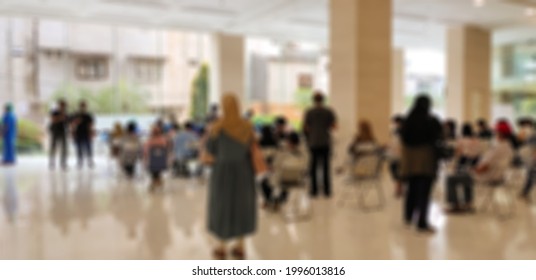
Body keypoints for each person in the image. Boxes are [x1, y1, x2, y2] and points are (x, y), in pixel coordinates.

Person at [205, 93, 256, 260]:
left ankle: (221, 247)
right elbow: (252, 148)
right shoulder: (247, 126)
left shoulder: (217, 127)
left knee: (222, 205)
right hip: (244, 170)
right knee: (241, 205)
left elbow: (210, 151)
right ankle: (241, 246)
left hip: (222, 171)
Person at [400, 95, 442, 233]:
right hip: (426, 162)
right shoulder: (431, 121)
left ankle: (408, 217)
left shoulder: (407, 121)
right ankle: (422, 222)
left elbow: (403, 139)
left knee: (411, 190)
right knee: (424, 193)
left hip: (410, 163)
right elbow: (438, 136)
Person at [303, 91, 337, 198]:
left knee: (313, 167)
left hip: (313, 142)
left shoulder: (309, 112)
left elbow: (305, 127)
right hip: (325, 141)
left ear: (313, 100)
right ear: (323, 100)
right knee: (326, 167)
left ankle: (314, 191)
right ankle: (327, 191)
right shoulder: (328, 111)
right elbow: (334, 126)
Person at [144, 125, 170, 192]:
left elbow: (146, 150)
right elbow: (165, 149)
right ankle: (157, 181)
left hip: (153, 160)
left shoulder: (150, 140)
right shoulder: (163, 139)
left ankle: (155, 182)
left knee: (154, 171)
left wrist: (145, 157)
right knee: (156, 172)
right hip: (160, 160)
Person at [71, 101, 95, 168]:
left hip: (86, 133)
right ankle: (80, 161)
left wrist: (91, 133)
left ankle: (90, 161)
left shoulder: (88, 115)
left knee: (88, 148)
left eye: (84, 106)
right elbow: (73, 124)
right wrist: (73, 132)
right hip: (78, 133)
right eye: (81, 106)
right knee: (79, 148)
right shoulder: (76, 115)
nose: (82, 107)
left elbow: (90, 125)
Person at [49, 99, 69, 170]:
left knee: (64, 147)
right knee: (53, 147)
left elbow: (67, 122)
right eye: (62, 105)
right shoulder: (54, 112)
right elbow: (53, 120)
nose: (63, 107)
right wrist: (61, 117)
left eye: (64, 106)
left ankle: (63, 163)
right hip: (55, 130)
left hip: (62, 131)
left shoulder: (66, 113)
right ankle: (52, 162)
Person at [388, 116, 404, 198]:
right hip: (398, 155)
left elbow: (398, 144)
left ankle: (398, 188)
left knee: (395, 167)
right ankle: (399, 187)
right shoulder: (395, 132)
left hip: (401, 156)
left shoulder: (401, 132)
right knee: (394, 167)